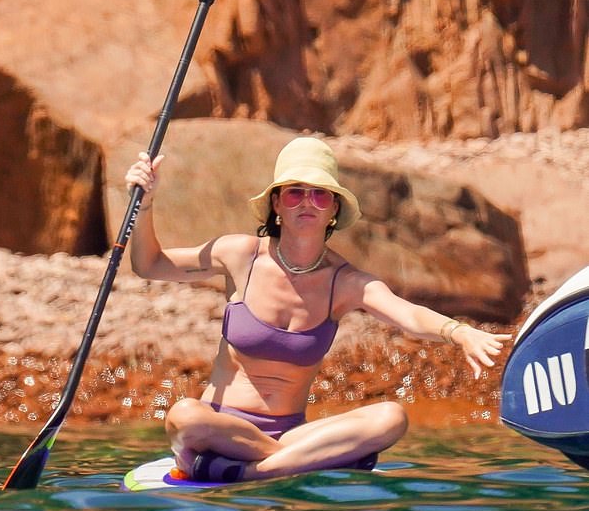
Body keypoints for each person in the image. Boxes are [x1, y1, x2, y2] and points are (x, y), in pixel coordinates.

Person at [125, 136, 511, 482]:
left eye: (320, 194)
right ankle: (300, 462)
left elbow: (407, 314)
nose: (307, 202)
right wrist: (146, 204)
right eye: (295, 192)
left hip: (293, 435)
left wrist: (458, 332)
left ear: (334, 210)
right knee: (183, 415)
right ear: (277, 203)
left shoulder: (344, 282)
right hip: (219, 427)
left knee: (391, 417)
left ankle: (252, 471)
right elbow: (151, 265)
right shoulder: (239, 255)